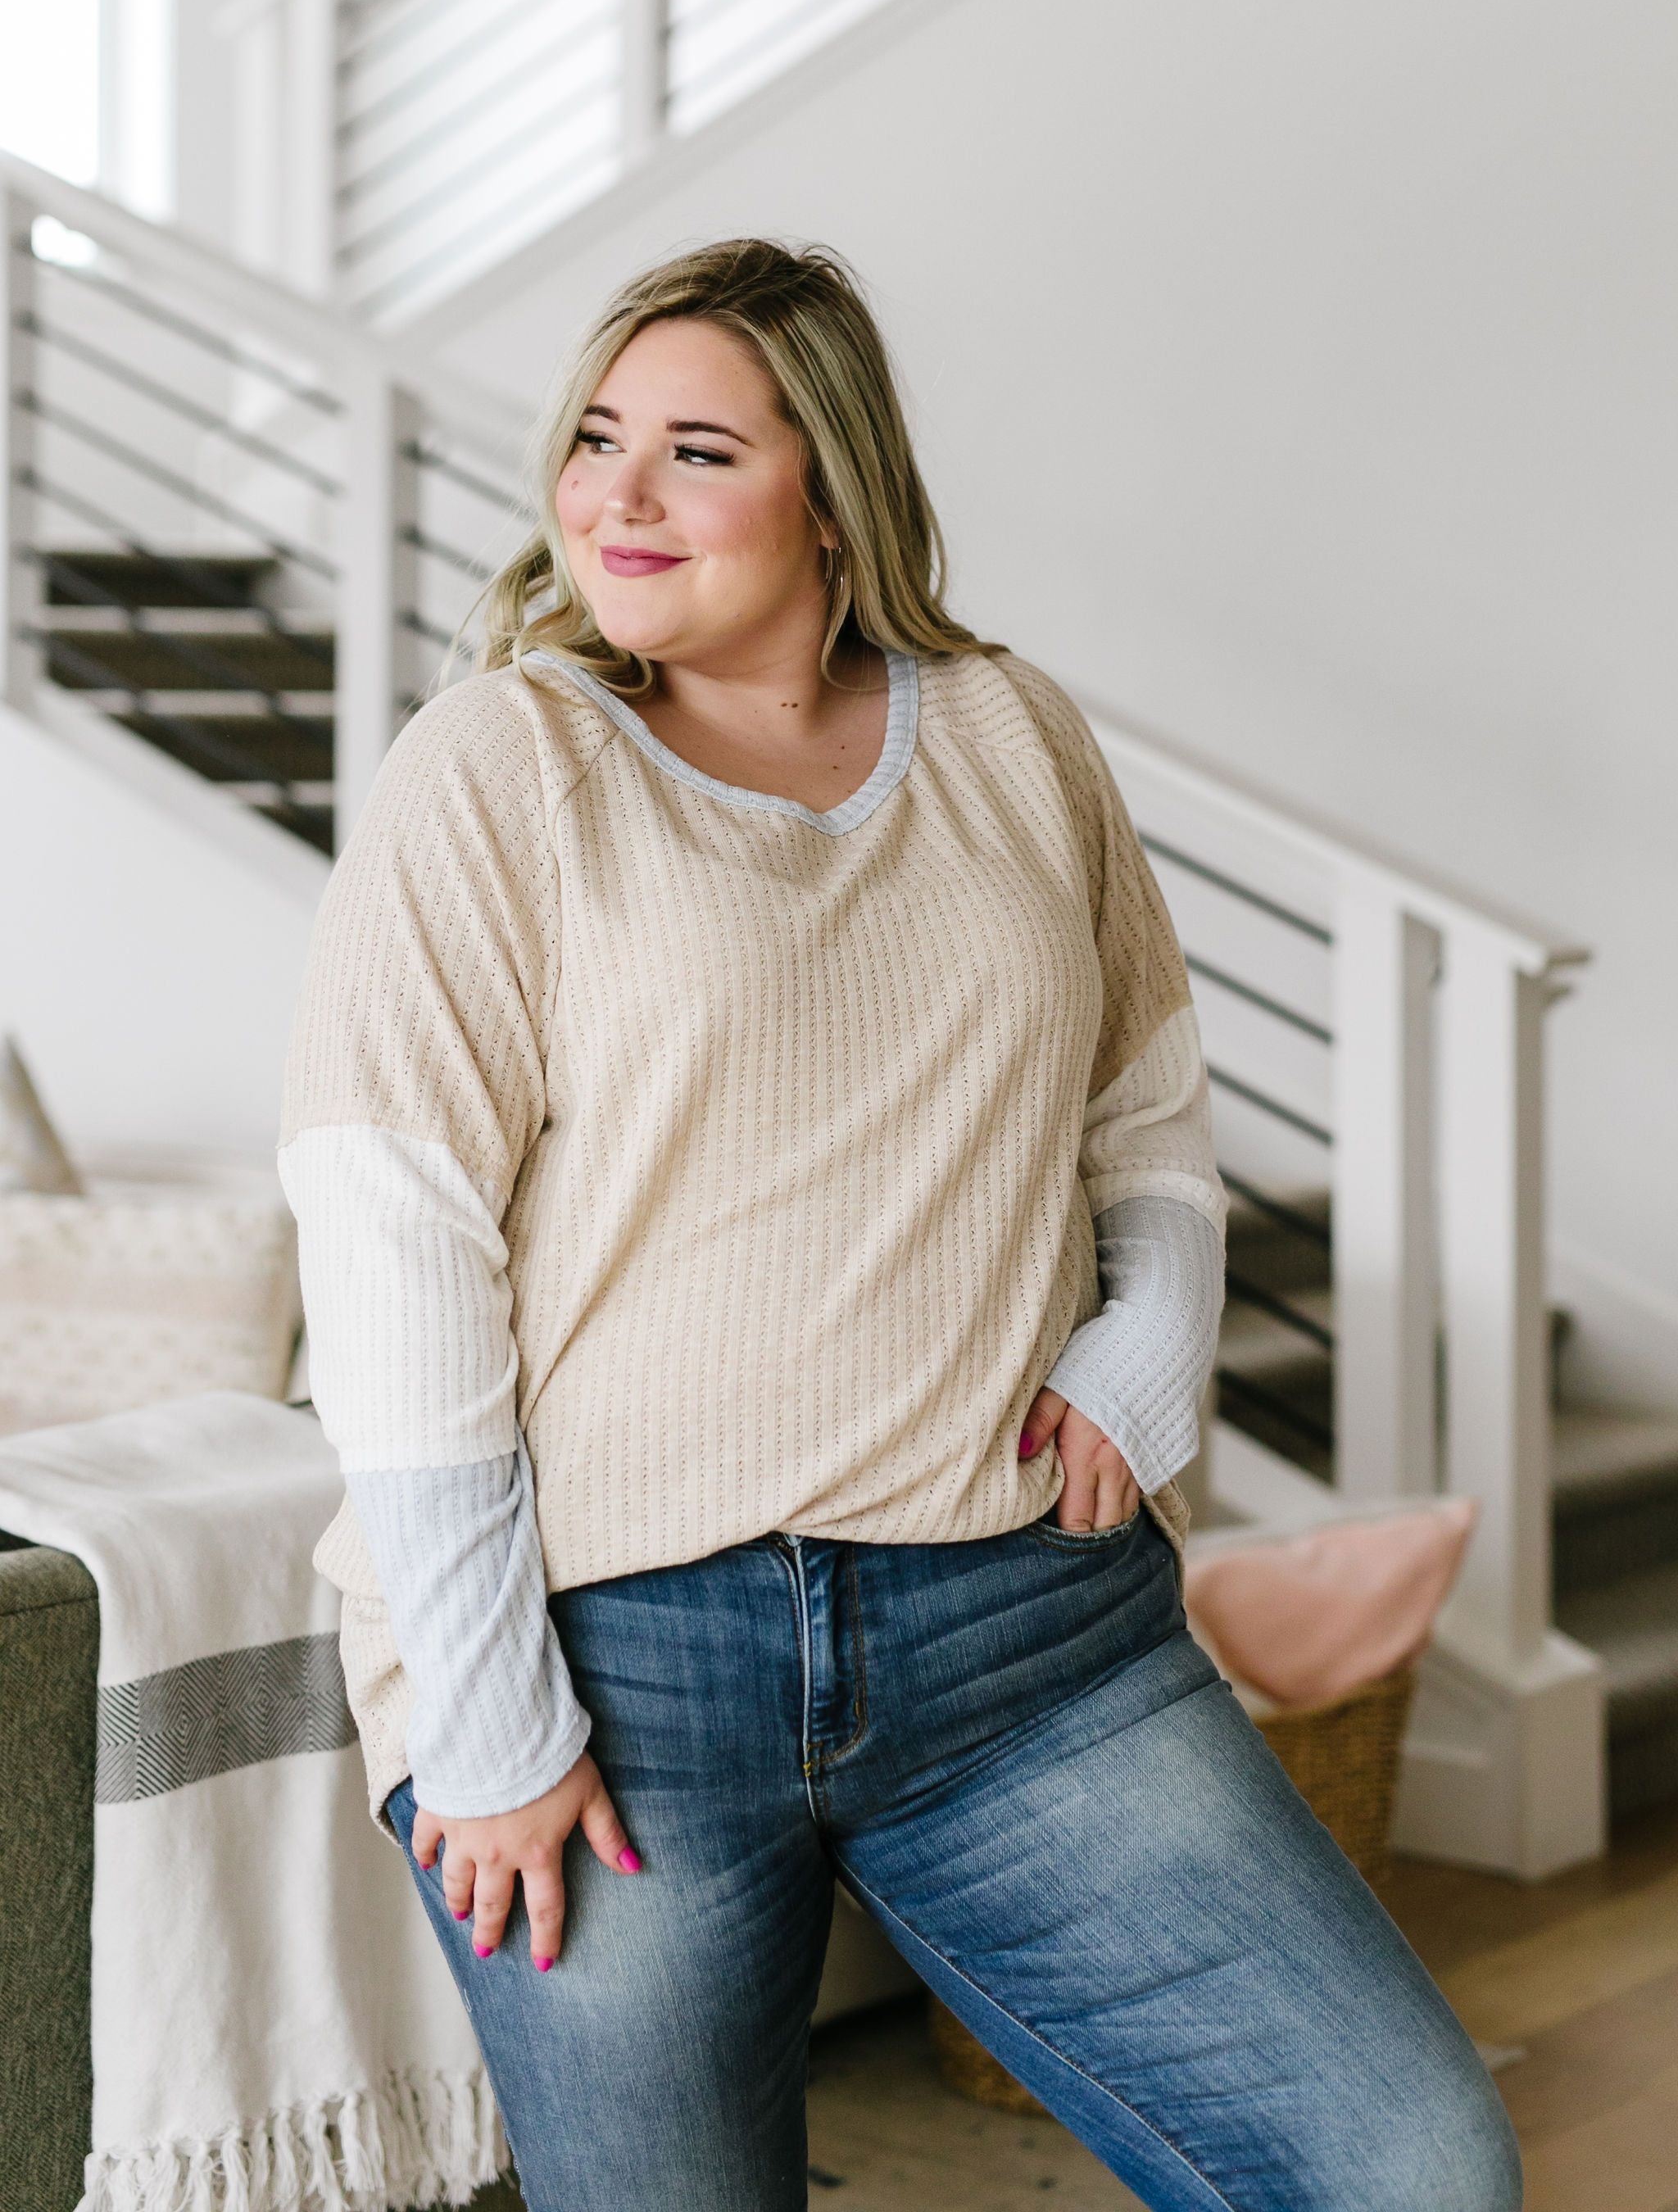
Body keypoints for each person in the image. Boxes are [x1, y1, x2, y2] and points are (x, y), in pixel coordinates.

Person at [277, 238, 1522, 2212]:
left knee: (1408, 2166)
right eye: (597, 439)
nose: (614, 493)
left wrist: (1144, 1348)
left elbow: (1151, 1116)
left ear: (832, 495)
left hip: (1027, 1633)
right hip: (613, 1664)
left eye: (695, 450)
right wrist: (498, 1722)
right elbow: (392, 1250)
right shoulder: (495, 774)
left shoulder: (1016, 738)